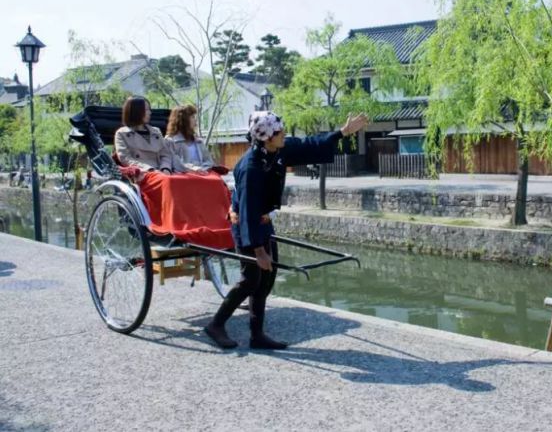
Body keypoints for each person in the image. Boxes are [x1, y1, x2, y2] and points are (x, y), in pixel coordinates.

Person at [204, 110, 369, 350]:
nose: (285, 135)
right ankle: (216, 325)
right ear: (267, 137)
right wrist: (258, 250)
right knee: (251, 279)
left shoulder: (278, 150)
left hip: (262, 221)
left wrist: (342, 133)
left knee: (267, 279)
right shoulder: (250, 167)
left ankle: (257, 335)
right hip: (247, 225)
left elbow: (308, 145)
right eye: (280, 132)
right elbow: (248, 211)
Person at [114, 96, 186, 174]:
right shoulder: (122, 134)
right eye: (146, 110)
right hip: (142, 173)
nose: (150, 113)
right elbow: (126, 158)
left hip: (162, 171)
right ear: (136, 112)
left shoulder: (156, 131)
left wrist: (165, 168)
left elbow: (165, 154)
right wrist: (149, 169)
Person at [165, 104, 215, 172]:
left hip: (202, 176)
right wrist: (194, 169)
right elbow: (176, 164)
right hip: (182, 179)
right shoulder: (170, 141)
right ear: (183, 120)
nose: (195, 120)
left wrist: (202, 169)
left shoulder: (199, 142)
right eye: (192, 117)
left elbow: (209, 162)